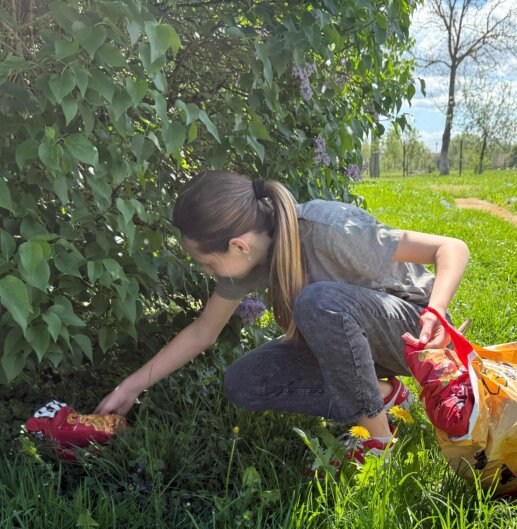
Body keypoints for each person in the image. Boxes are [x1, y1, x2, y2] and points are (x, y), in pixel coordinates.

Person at [95, 171, 470, 465]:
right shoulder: (248, 261)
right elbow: (202, 332)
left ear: (238, 245)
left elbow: (450, 248)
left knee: (316, 302)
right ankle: (386, 397)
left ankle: (377, 442)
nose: (207, 272)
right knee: (245, 382)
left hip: (416, 332)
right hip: (353, 338)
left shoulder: (328, 229)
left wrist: (436, 313)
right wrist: (130, 388)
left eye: (207, 263)